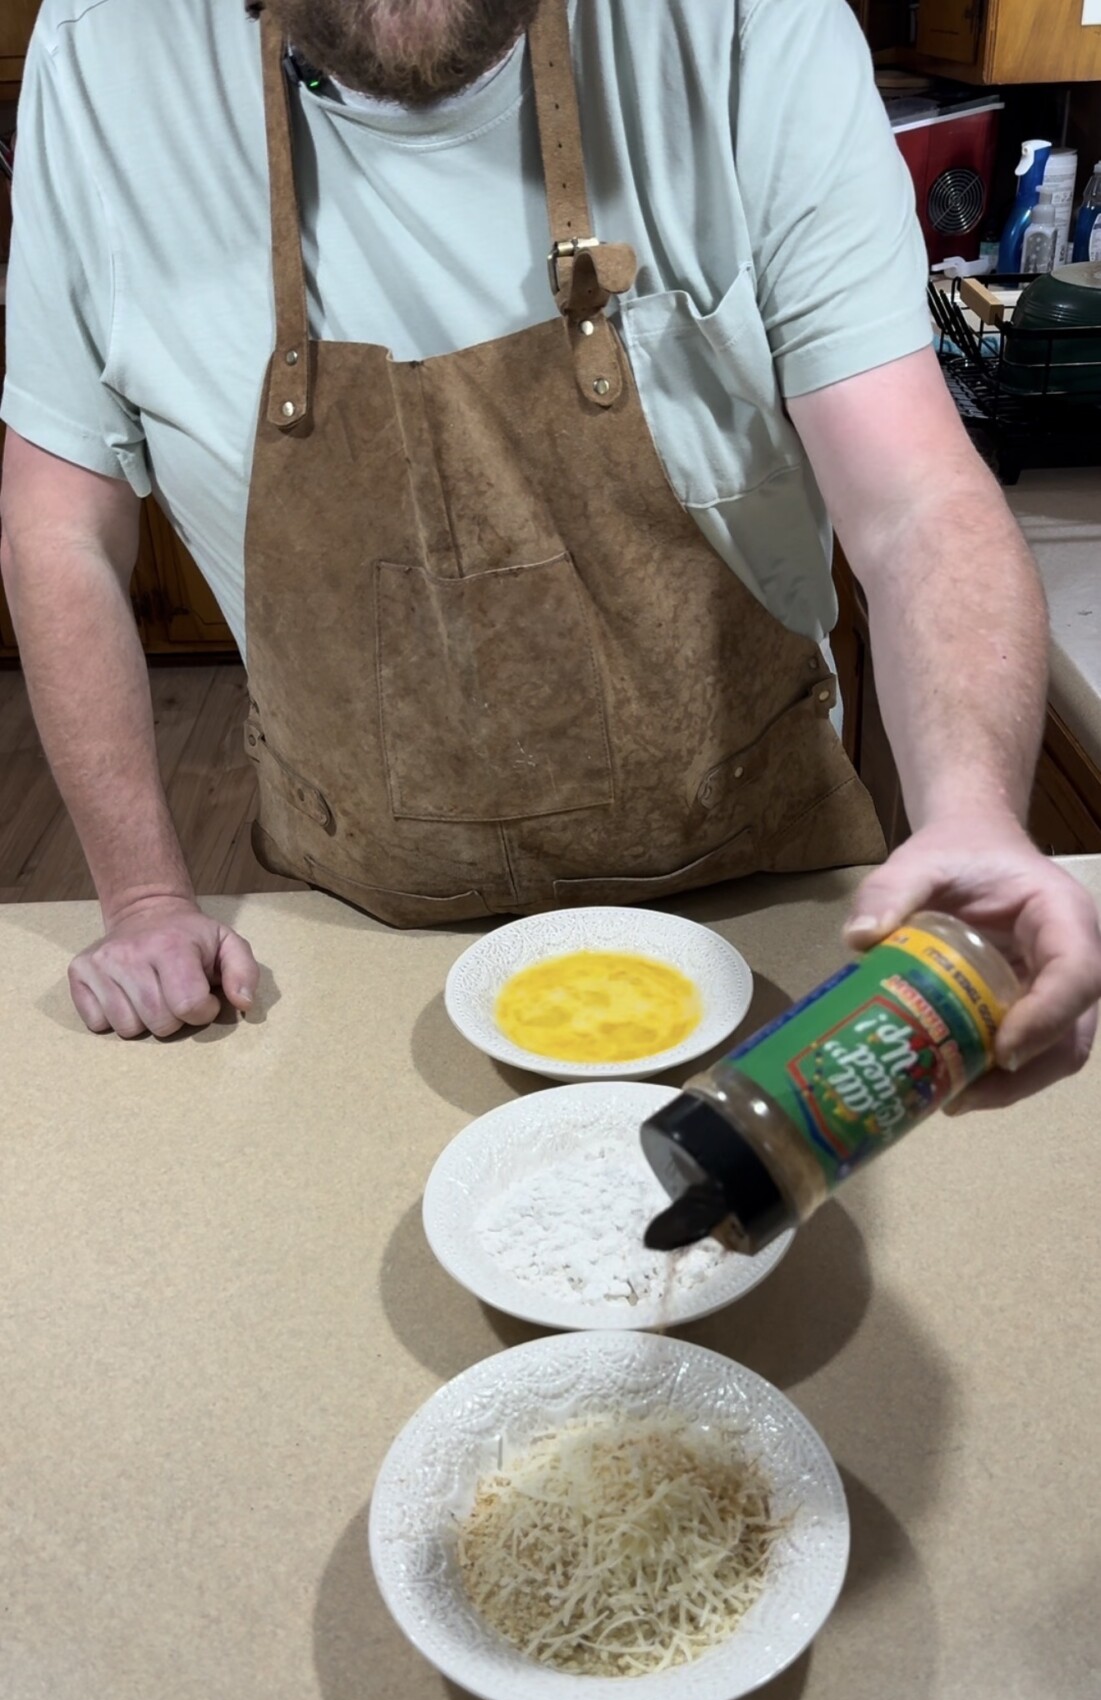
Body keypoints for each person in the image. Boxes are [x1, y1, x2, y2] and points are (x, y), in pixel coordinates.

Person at [2, 0, 1099, 1111]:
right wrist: (143, 901)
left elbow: (913, 498)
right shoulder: (103, 54)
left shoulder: (743, 26)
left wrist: (971, 814)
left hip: (763, 906)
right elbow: (58, 524)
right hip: (352, 927)